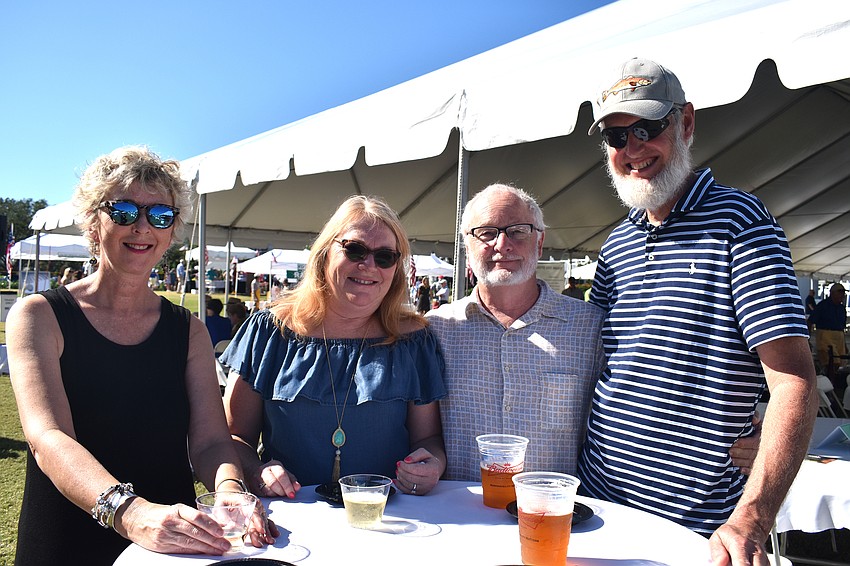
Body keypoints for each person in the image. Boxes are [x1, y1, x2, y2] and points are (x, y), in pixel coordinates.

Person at [581, 58, 818, 563]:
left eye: (647, 128)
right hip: (598, 512)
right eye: (617, 137)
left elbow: (794, 382)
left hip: (694, 532)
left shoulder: (741, 222)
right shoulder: (616, 243)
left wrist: (752, 518)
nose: (633, 149)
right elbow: (595, 362)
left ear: (686, 123)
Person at [6, 146, 276, 566]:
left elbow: (210, 441)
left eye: (161, 215)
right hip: (66, 538)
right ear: (93, 221)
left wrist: (229, 491)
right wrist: (131, 514)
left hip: (172, 543)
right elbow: (48, 437)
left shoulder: (189, 331)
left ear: (171, 232)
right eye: (125, 211)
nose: (143, 227)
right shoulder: (39, 316)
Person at [220, 195, 447, 500]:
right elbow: (234, 436)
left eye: (385, 257)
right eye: (355, 250)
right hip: (292, 513)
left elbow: (428, 439)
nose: (369, 265)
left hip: (388, 515)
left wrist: (431, 465)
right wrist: (256, 471)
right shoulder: (271, 332)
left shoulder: (413, 340)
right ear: (325, 252)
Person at [427, 183, 607, 479]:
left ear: (539, 241)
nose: (502, 244)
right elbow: (425, 434)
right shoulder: (437, 329)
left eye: (518, 231)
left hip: (553, 506)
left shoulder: (590, 328)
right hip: (459, 506)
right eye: (486, 233)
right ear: (466, 246)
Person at [809, 283, 847, 374]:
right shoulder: (823, 306)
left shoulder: (842, 308)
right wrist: (808, 338)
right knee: (831, 362)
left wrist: (845, 344)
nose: (842, 295)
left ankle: (836, 380)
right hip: (825, 335)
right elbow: (810, 321)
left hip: (839, 336)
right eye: (839, 292)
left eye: (843, 293)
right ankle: (829, 378)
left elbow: (842, 326)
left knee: (841, 363)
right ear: (832, 293)